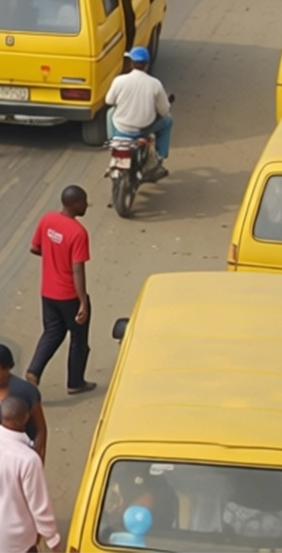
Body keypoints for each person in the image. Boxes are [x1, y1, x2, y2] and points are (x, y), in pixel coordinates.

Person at [0, 397, 63, 553]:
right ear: (26, 418)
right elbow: (39, 507)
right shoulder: (28, 459)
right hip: (17, 541)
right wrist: (53, 541)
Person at [26, 186, 94, 395]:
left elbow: (35, 248)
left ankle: (34, 372)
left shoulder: (47, 220)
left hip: (48, 292)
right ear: (75, 204)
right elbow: (77, 269)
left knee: (52, 333)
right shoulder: (78, 232)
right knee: (78, 340)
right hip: (69, 295)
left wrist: (54, 257)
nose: (86, 205)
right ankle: (75, 382)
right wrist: (82, 301)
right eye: (84, 202)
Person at [106, 47, 172, 179]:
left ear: (131, 63)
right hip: (143, 130)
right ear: (147, 65)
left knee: (110, 112)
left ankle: (112, 139)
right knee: (168, 120)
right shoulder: (155, 84)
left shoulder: (119, 80)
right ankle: (160, 157)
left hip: (121, 129)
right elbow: (164, 111)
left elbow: (109, 100)